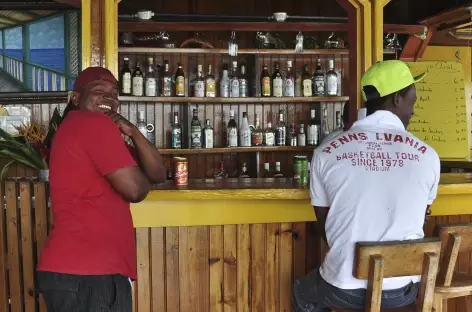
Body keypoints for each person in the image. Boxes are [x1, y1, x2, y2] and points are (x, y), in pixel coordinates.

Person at [292, 60, 440, 311]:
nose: (412, 111)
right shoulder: (428, 155)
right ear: (396, 100)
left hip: (343, 290)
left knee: (302, 292)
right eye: (412, 102)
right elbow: (418, 221)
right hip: (402, 291)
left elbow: (327, 230)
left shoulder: (326, 152)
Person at [37, 67, 166, 312]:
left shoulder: (77, 126)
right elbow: (136, 190)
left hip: (75, 272)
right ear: (75, 98)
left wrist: (133, 131)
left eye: (114, 93)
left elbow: (158, 174)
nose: (109, 98)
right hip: (91, 273)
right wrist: (139, 178)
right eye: (98, 90)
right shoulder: (92, 123)